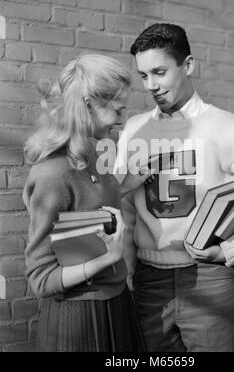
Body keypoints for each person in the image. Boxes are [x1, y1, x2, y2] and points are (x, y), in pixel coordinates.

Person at [114, 23, 234, 352]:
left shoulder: (223, 126)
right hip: (149, 281)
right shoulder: (134, 129)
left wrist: (232, 250)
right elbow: (125, 212)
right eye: (143, 76)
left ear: (188, 65)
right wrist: (127, 273)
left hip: (208, 279)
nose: (151, 85)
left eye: (160, 72)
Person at [23, 54, 149, 352]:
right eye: (118, 110)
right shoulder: (53, 174)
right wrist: (106, 258)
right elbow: (41, 279)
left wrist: (127, 185)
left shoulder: (91, 156)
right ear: (90, 105)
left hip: (117, 304)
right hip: (78, 320)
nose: (121, 119)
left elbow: (88, 215)